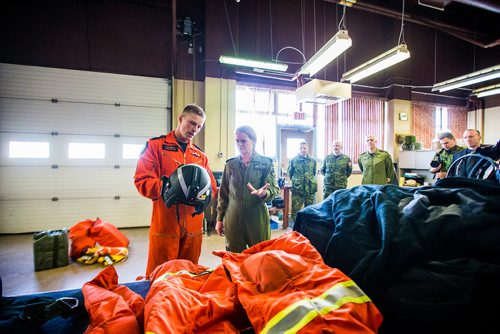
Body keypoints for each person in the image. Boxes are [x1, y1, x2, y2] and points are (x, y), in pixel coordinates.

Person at [134, 104, 217, 276]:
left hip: (194, 226)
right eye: (191, 123)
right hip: (165, 223)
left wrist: (205, 196)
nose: (195, 129)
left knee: (188, 275)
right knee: (160, 276)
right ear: (180, 119)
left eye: (199, 126)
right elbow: (142, 180)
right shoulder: (155, 146)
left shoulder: (200, 156)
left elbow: (212, 188)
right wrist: (169, 188)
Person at [215, 126, 279, 253]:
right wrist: (219, 219)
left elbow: (274, 189)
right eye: (237, 141)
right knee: (234, 256)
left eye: (243, 141)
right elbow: (223, 194)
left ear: (253, 141)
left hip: (256, 217)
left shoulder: (265, 163)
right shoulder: (230, 164)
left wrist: (264, 193)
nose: (239, 144)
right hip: (233, 216)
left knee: (260, 254)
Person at [287, 141, 317, 222]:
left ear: (308, 149)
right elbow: (290, 173)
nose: (303, 150)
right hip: (298, 190)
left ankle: (308, 227)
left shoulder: (313, 161)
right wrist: (298, 181)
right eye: (301, 148)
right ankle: (296, 227)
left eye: (304, 148)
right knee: (295, 211)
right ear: (298, 149)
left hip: (310, 190)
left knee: (310, 210)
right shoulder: (293, 160)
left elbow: (313, 173)